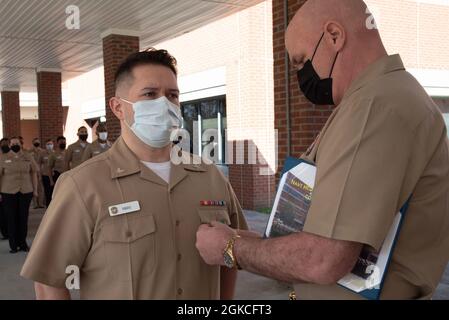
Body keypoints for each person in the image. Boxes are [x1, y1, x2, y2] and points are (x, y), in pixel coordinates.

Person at [196, 0, 449, 300]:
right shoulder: (379, 99)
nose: (302, 76)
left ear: (333, 36)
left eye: (301, 61)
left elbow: (324, 259)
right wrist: (242, 238)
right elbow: (322, 234)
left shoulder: (374, 107)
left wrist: (230, 249)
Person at [21, 48, 248, 300]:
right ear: (118, 107)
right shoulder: (83, 185)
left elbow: (232, 253)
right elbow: (49, 281)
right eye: (150, 94)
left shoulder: (210, 176)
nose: (164, 103)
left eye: (172, 95)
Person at [0, 137, 38, 253]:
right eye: (13, 143)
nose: (15, 144)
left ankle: (23, 243)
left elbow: (34, 173)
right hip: (8, 191)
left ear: (21, 144)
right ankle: (13, 245)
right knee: (11, 218)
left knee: (23, 218)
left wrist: (35, 190)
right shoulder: (3, 157)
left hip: (25, 191)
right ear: (10, 145)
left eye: (17, 143)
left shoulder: (28, 156)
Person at [29, 138, 46, 209]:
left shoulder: (42, 151)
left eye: (38, 142)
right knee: (34, 187)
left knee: (41, 188)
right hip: (32, 171)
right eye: (35, 142)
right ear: (32, 143)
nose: (37, 143)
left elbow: (43, 161)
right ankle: (35, 204)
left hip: (40, 171)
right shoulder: (29, 151)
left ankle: (41, 203)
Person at [39, 139, 55, 207]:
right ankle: (48, 206)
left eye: (51, 144)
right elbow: (39, 164)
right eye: (48, 144)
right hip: (45, 175)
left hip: (54, 174)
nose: (49, 146)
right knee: (47, 192)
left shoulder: (55, 153)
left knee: (54, 192)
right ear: (45, 145)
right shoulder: (42, 153)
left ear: (53, 145)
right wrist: (39, 175)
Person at [0, 138, 10, 240]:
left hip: (7, 188)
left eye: (7, 144)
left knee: (5, 211)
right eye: (4, 144)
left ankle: (7, 232)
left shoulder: (10, 157)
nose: (5, 146)